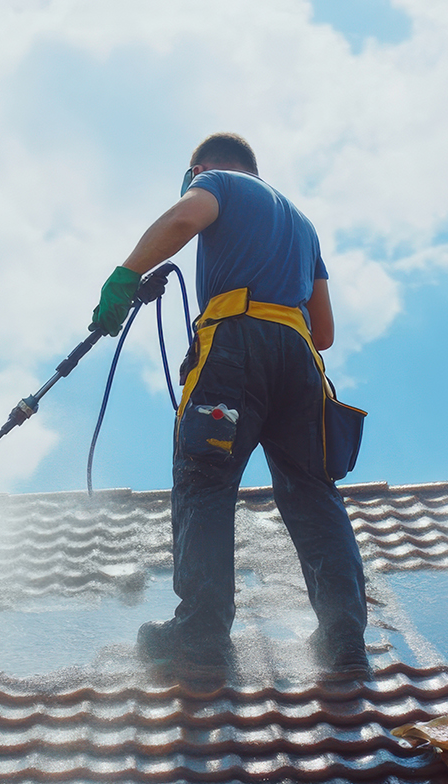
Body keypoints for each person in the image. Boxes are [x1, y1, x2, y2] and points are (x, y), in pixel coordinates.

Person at [89, 132, 369, 682]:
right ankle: (343, 640)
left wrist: (123, 278)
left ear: (199, 169)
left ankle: (201, 633)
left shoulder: (216, 184)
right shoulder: (303, 225)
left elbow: (182, 221)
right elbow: (327, 332)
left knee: (206, 481)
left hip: (235, 347)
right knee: (313, 495)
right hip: (301, 360)